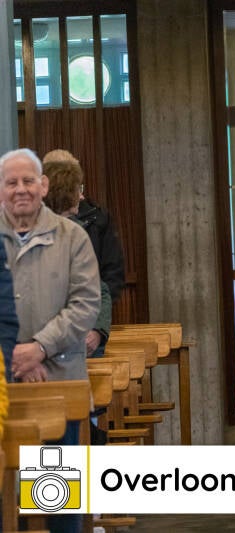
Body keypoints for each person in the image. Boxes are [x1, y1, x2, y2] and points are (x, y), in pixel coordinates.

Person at [0, 148, 101, 533]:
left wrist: (39, 348)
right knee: (7, 503)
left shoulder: (72, 237)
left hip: (57, 384)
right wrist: (14, 357)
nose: (20, 190)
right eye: (11, 183)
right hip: (4, 386)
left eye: (28, 181)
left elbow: (85, 303)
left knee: (55, 501)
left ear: (43, 186)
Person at [42, 160, 112, 361]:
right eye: (77, 189)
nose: (82, 196)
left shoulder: (78, 234)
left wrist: (98, 332)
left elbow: (99, 289)